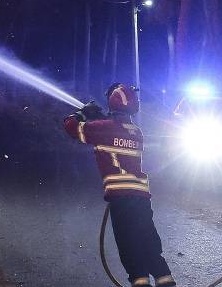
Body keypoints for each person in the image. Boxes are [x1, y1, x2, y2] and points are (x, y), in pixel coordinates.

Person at [63, 83, 176, 287]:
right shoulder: (136, 132)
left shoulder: (103, 128)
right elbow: (116, 133)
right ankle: (166, 280)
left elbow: (71, 127)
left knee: (129, 246)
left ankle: (140, 282)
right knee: (149, 244)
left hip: (121, 199)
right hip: (141, 198)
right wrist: (101, 119)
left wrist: (82, 113)